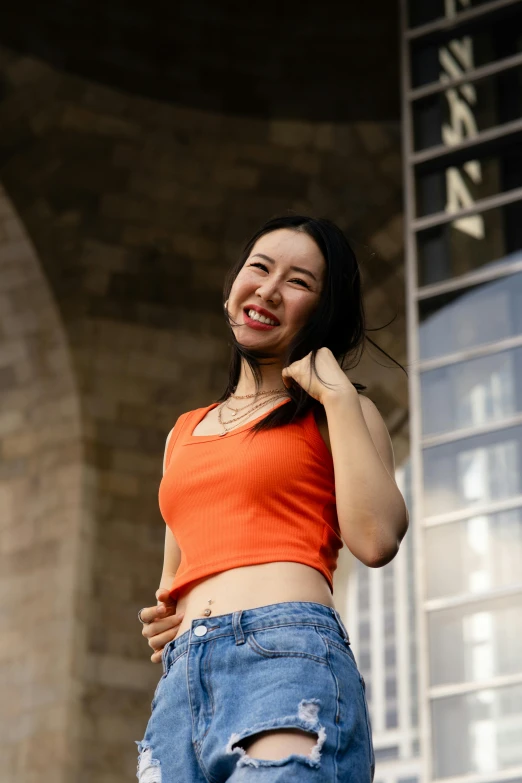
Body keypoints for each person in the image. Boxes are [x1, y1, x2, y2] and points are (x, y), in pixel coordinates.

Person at [136, 214, 409, 782]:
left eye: (298, 281)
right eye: (259, 268)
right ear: (234, 283)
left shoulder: (341, 411)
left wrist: (334, 393)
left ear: (322, 312)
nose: (268, 288)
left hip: (283, 656)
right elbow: (175, 583)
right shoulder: (183, 431)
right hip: (183, 681)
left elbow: (377, 538)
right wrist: (167, 618)